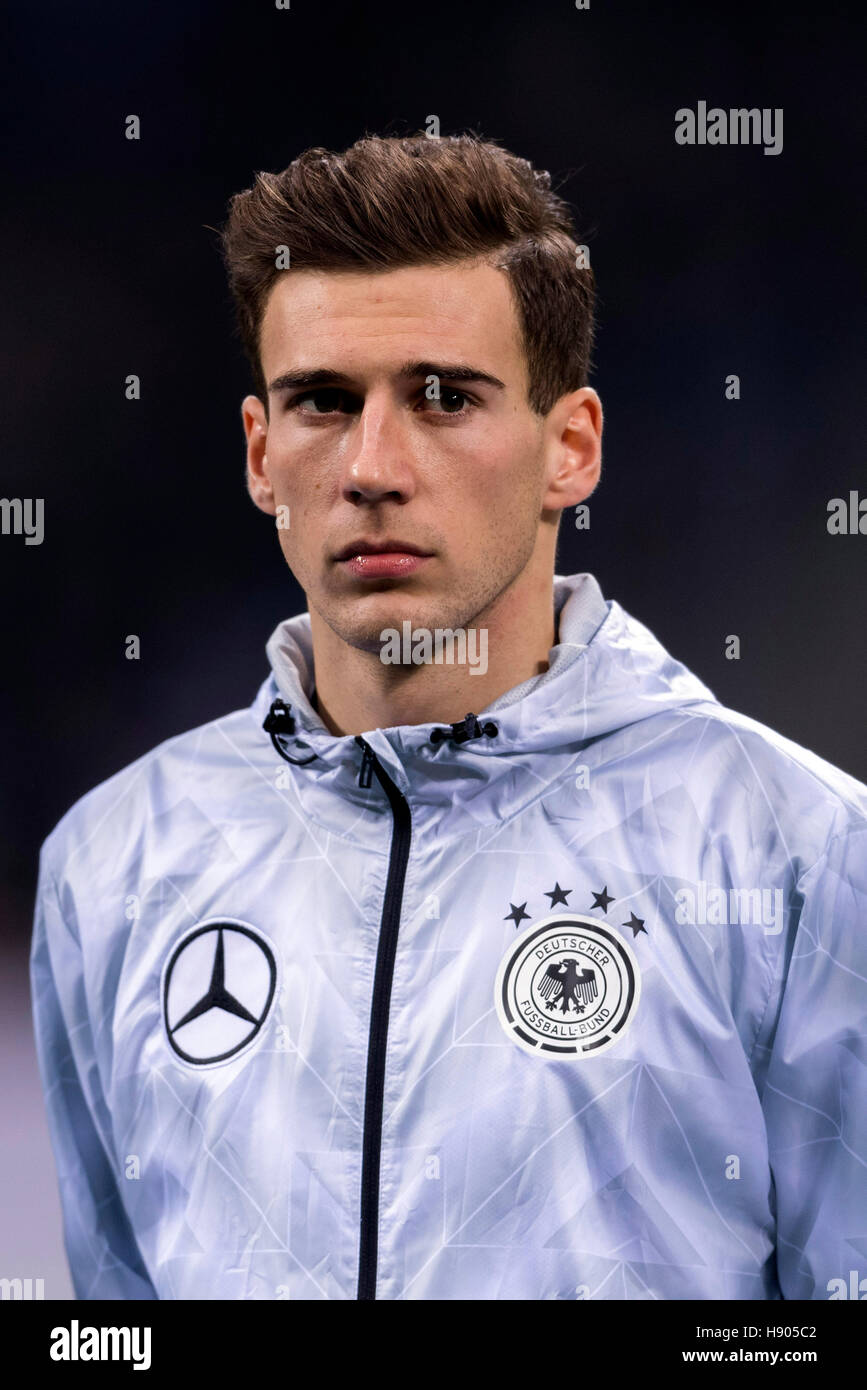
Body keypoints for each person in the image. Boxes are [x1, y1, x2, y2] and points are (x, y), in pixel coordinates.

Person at [31, 133, 867, 1301]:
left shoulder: (803, 855)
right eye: (322, 402)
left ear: (569, 448)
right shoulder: (111, 863)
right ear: (262, 457)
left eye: (443, 397)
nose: (373, 465)